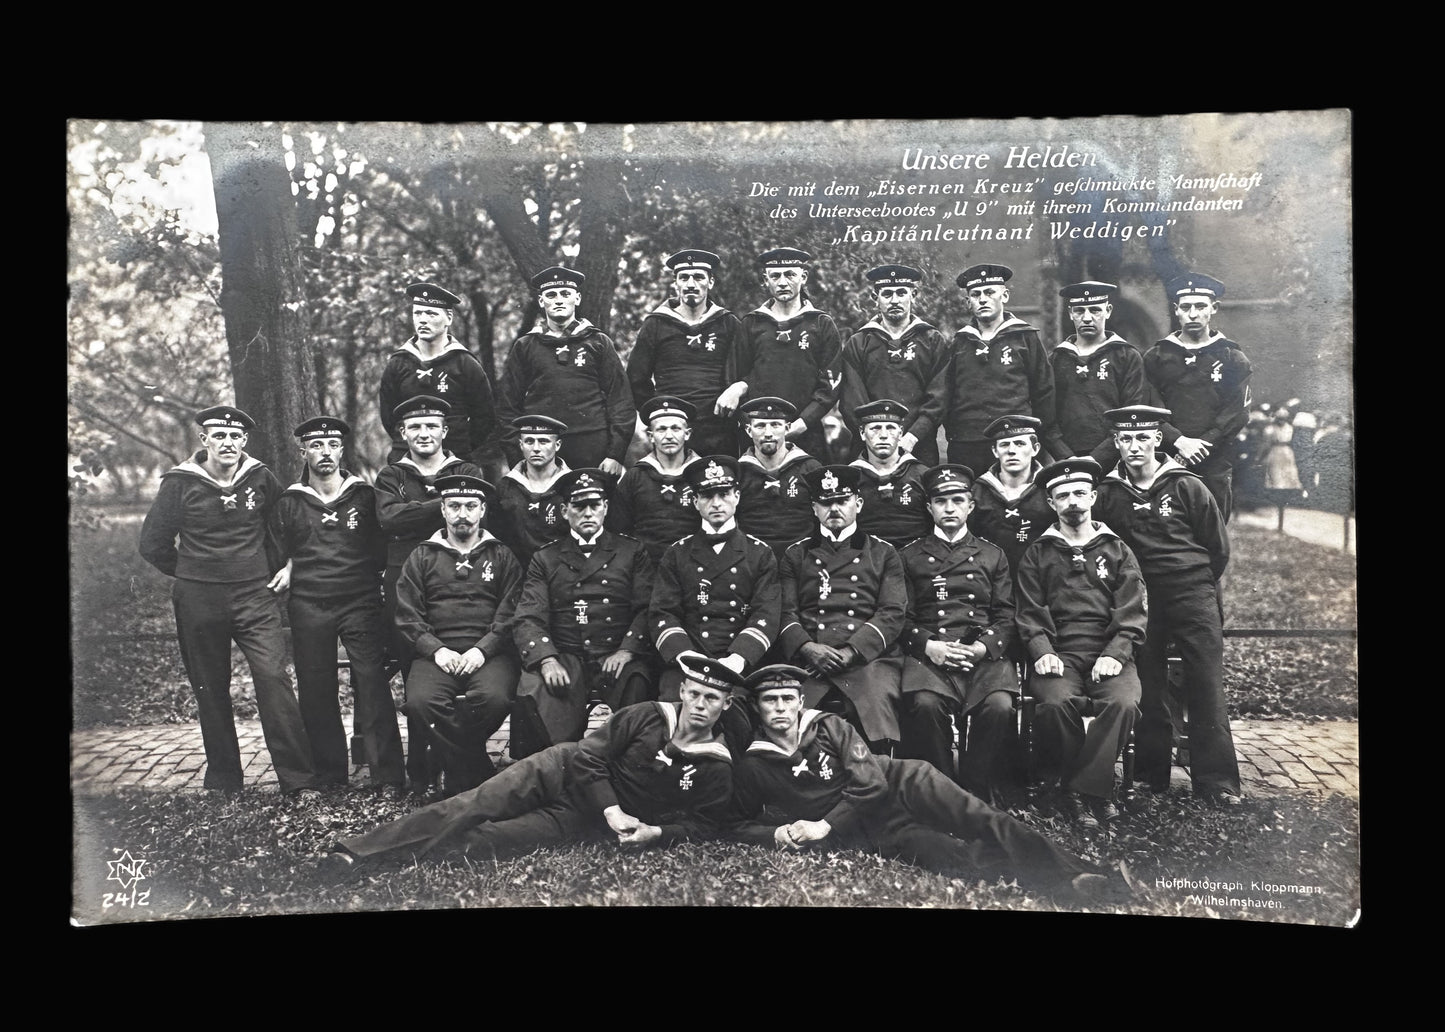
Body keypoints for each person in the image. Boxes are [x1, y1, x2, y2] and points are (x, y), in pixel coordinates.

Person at [319, 651, 741, 877]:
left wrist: (655, 831)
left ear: (727, 704)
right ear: (682, 691)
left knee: (488, 841)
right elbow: (590, 755)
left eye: (712, 699)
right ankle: (356, 853)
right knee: (473, 805)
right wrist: (613, 808)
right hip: (559, 770)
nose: (701, 705)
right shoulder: (647, 714)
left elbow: (707, 823)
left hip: (581, 817)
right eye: (695, 694)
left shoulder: (717, 764)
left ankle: (393, 861)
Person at [727, 665, 1120, 900]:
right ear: (757, 708)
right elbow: (733, 824)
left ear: (800, 702)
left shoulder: (829, 726)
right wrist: (775, 834)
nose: (780, 708)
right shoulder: (753, 764)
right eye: (770, 700)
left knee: (982, 819)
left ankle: (1079, 874)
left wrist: (822, 825)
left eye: (787, 699)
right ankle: (1074, 882)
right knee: (950, 857)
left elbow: (870, 785)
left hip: (902, 782)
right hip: (870, 826)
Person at [138, 405, 319, 797]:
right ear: (204, 439)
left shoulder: (261, 477)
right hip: (198, 599)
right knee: (210, 686)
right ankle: (224, 782)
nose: (228, 443)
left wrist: (288, 565)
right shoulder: (180, 483)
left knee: (274, 679)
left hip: (255, 596)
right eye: (219, 435)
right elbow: (152, 544)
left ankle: (299, 780)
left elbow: (288, 527)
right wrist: (193, 571)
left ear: (244, 441)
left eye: (236, 436)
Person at [1094, 405, 1241, 804]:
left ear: (1159, 439)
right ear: (1116, 443)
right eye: (1125, 439)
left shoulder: (1187, 485)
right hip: (1140, 599)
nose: (1134, 446)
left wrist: (1194, 585)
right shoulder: (1107, 494)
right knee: (1148, 684)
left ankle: (1218, 784)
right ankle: (1147, 778)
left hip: (1192, 592)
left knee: (1205, 682)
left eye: (1143, 437)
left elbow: (1217, 549)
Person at [271, 416, 404, 795]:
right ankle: (330, 774)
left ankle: (387, 775)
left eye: (331, 446)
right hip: (310, 603)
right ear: (304, 452)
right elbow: (282, 550)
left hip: (359, 601)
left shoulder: (364, 496)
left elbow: (379, 549)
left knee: (372, 682)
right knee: (315, 687)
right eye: (316, 446)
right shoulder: (291, 502)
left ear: (341, 450)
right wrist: (293, 565)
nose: (324, 453)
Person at [1015, 458, 1146, 826]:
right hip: (1059, 654)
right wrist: (1042, 651)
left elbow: (1133, 611)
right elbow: (1028, 611)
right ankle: (1092, 790)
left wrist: (1116, 653)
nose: (1072, 501)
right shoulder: (1038, 553)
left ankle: (1084, 790)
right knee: (1056, 704)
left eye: (1078, 493)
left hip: (1109, 652)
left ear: (1092, 496)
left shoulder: (1118, 550)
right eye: (1062, 496)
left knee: (1122, 703)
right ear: (1051, 503)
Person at [373, 395, 485, 792]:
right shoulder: (392, 476)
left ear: (444, 431)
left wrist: (415, 511)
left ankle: (459, 760)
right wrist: (448, 501)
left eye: (431, 426)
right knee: (416, 672)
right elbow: (389, 520)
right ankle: (420, 760)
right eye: (415, 428)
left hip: (459, 583)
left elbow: (410, 517)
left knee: (463, 676)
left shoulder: (466, 468)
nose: (424, 434)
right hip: (406, 581)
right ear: (402, 434)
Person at [511, 469, 658, 759]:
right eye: (579, 506)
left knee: (637, 687)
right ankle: (553, 771)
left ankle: (626, 768)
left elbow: (647, 608)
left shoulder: (632, 551)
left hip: (616, 654)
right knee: (539, 694)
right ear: (565, 511)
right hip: (567, 655)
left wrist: (627, 650)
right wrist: (547, 659)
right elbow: (529, 616)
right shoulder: (545, 557)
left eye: (595, 505)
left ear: (606, 508)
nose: (587, 513)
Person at [394, 473, 523, 797]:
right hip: (436, 654)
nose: (462, 513)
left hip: (489, 654)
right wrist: (437, 650)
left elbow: (511, 612)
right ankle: (474, 769)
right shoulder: (422, 556)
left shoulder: (501, 555)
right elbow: (408, 615)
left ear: (482, 510)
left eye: (469, 506)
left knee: (494, 700)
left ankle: (450, 765)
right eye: (454, 506)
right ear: (443, 510)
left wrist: (482, 650)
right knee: (422, 703)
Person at [895, 464, 1019, 801]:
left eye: (957, 500)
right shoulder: (908, 556)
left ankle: (977, 789)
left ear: (970, 505)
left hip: (980, 653)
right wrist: (928, 645)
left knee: (999, 706)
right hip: (932, 652)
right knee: (924, 704)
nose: (949, 509)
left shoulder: (993, 555)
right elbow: (900, 617)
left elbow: (1007, 615)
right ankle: (944, 791)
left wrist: (982, 648)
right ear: (929, 507)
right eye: (941, 501)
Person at [649, 455, 780, 752]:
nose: (716, 503)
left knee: (743, 727)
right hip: (687, 662)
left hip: (740, 663)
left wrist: (736, 659)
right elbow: (662, 613)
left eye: (723, 494)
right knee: (670, 718)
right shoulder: (677, 553)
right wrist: (686, 657)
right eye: (707, 496)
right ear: (695, 502)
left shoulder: (760, 554)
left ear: (737, 496)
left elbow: (767, 613)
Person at [777, 465, 907, 755]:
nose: (834, 509)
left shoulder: (884, 553)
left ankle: (876, 780)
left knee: (875, 704)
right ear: (814, 508)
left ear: (858, 504)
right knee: (787, 717)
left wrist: (851, 651)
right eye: (825, 503)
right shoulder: (795, 554)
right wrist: (808, 648)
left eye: (842, 501)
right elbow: (786, 613)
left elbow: (892, 612)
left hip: (868, 658)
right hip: (810, 659)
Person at [496, 266, 635, 474]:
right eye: (551, 295)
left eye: (565, 294)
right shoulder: (525, 345)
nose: (558, 300)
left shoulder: (598, 342)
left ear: (577, 298)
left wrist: (615, 454)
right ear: (541, 301)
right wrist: (516, 457)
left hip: (591, 447)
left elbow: (621, 400)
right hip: (541, 448)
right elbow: (507, 406)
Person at [1143, 272, 1253, 522]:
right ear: (1176, 310)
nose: (1193, 314)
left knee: (1211, 534)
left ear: (1214, 308)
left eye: (1200, 306)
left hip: (1214, 462)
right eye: (1186, 307)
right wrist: (1178, 441)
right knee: (1165, 530)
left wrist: (1199, 446)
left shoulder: (1232, 358)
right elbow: (1149, 403)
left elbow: (1236, 413)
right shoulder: (1156, 357)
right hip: (1166, 458)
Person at [715, 247, 842, 460]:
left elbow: (831, 384)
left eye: (790, 274)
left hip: (805, 433)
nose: (783, 282)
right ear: (766, 280)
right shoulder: (751, 323)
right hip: (758, 436)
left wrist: (802, 424)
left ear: (804, 277)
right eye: (775, 276)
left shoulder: (821, 324)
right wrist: (754, 427)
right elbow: (734, 377)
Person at [944, 263, 1060, 475]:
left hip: (1014, 440)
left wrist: (1037, 434)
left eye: (989, 292)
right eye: (975, 294)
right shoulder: (958, 342)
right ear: (968, 301)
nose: (983, 299)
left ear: (1004, 296)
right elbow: (947, 393)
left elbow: (1044, 390)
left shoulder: (1025, 337)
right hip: (968, 443)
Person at [627, 248, 742, 457]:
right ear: (675, 283)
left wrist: (737, 389)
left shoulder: (728, 323)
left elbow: (746, 368)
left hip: (719, 427)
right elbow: (636, 378)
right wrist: (657, 415)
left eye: (698, 277)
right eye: (684, 277)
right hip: (672, 427)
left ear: (711, 282)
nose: (691, 284)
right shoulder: (656, 323)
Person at [839, 263, 951, 465]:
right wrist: (875, 438)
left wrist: (913, 436)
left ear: (914, 295)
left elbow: (939, 398)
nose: (894, 300)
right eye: (887, 294)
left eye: (901, 293)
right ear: (875, 298)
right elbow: (851, 401)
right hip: (870, 448)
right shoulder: (859, 342)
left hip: (918, 446)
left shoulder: (932, 340)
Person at [378, 281, 497, 466]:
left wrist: (458, 444)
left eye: (431, 313)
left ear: (449, 318)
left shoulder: (465, 364)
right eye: (417, 313)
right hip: (406, 461)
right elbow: (389, 416)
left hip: (454, 460)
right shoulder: (397, 364)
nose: (422, 320)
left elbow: (484, 418)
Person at [1049, 281, 1145, 465]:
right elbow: (1047, 415)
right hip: (1068, 459)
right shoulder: (1056, 359)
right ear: (1070, 313)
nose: (1087, 318)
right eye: (1079, 311)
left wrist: (1097, 457)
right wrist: (1066, 457)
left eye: (1095, 310)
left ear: (1108, 310)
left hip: (1116, 456)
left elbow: (1132, 411)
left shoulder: (1126, 355)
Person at [605, 396, 703, 562]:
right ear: (651, 436)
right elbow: (618, 528)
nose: (669, 436)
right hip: (645, 564)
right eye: (661, 429)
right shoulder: (635, 476)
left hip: (693, 562)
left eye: (676, 428)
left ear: (687, 434)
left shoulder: (701, 474)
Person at [968, 414, 1055, 583]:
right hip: (990, 579)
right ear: (995, 451)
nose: (1011, 451)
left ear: (1036, 448)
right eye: (1004, 445)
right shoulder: (978, 491)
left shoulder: (1050, 489)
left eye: (1020, 443)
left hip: (1042, 579)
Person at [734, 396, 823, 555]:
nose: (768, 433)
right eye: (760, 426)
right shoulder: (738, 472)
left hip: (802, 558)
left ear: (787, 428)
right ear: (748, 430)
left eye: (775, 425)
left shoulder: (810, 468)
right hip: (751, 558)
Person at [489, 414, 573, 569]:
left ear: (558, 445)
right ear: (520, 445)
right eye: (529, 441)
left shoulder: (572, 484)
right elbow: (497, 536)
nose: (535, 448)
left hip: (563, 570)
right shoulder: (505, 486)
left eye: (543, 441)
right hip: (517, 570)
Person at [847, 399, 932, 549]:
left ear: (900, 433)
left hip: (914, 561)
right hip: (865, 562)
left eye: (891, 428)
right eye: (875, 428)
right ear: (862, 433)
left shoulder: (922, 475)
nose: (884, 435)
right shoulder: (850, 477)